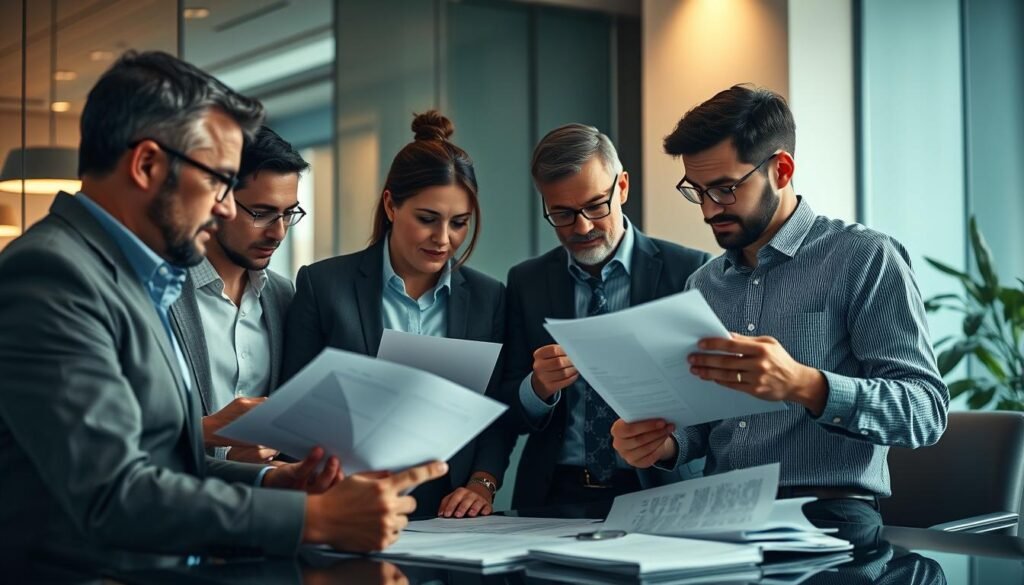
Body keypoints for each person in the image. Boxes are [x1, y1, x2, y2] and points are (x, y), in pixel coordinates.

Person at [0, 51, 445, 571]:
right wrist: (312, 521)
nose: (225, 207)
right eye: (218, 180)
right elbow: (113, 493)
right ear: (146, 165)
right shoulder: (53, 275)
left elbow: (167, 464)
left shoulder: (133, 274)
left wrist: (278, 482)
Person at [611, 84, 949, 524]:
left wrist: (804, 385)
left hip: (831, 518)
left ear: (781, 170)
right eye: (697, 191)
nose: (709, 211)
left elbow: (925, 411)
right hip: (719, 513)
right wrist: (664, 445)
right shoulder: (703, 284)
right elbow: (703, 426)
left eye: (725, 189)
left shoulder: (864, 258)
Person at [283, 111, 513, 519]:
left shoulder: (488, 297)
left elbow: (495, 408)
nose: (443, 239)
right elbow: (293, 408)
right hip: (348, 502)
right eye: (427, 219)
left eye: (459, 223)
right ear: (391, 204)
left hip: (452, 509)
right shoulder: (323, 286)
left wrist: (483, 482)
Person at [501, 123, 711, 508]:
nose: (582, 227)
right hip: (553, 495)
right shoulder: (526, 282)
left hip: (661, 487)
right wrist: (538, 388)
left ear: (623, 187)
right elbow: (506, 409)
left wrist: (667, 446)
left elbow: (713, 403)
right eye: (561, 214)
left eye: (596, 206)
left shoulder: (691, 272)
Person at [171, 126, 308, 463]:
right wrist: (206, 431)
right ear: (217, 201)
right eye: (261, 213)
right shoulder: (161, 292)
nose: (278, 232)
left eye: (288, 213)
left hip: (265, 504)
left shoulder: (284, 296)